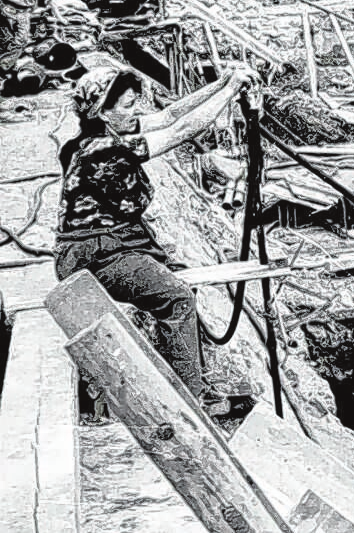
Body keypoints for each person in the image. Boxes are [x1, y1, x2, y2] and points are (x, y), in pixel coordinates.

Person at [54, 63, 259, 409]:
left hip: (115, 244)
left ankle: (187, 377)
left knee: (176, 280)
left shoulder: (100, 137)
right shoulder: (102, 150)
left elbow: (168, 115)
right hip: (94, 255)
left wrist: (222, 84)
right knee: (176, 297)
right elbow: (181, 130)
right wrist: (228, 91)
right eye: (128, 105)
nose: (136, 111)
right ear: (102, 112)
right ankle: (190, 400)